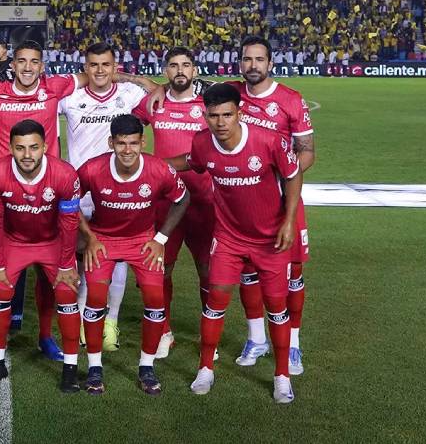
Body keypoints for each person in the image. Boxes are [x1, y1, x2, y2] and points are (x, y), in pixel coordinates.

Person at [168, 82, 302, 404]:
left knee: (277, 308)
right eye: (214, 116)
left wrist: (288, 220)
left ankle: (282, 376)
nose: (221, 122)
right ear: (205, 115)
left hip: (269, 240)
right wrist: (150, 163)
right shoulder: (203, 143)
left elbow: (293, 175)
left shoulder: (270, 141)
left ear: (239, 113)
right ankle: (205, 368)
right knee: (216, 301)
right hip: (228, 238)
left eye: (227, 114)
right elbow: (190, 161)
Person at [58, 42, 163, 352]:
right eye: (93, 65)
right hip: (80, 188)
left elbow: (157, 88)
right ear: (85, 68)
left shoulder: (128, 94)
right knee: (82, 256)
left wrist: (128, 78)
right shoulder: (70, 97)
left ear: (115, 66)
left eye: (106, 65)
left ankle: (110, 322)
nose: (100, 71)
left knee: (117, 258)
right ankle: (82, 316)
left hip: (119, 190)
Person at [75, 114, 189, 395]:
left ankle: (147, 366)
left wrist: (160, 238)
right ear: (111, 142)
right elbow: (68, 201)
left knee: (155, 299)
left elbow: (183, 198)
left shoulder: (158, 169)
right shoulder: (92, 169)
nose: (127, 150)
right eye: (121, 143)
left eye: (133, 143)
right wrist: (88, 237)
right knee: (96, 298)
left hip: (142, 241)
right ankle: (94, 367)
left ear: (143, 142)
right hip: (103, 239)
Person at [226, 36, 315, 375]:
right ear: (240, 63)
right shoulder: (230, 93)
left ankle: (292, 344)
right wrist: (151, 87)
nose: (253, 65)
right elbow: (181, 86)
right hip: (243, 205)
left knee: (293, 273)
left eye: (259, 59)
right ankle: (256, 339)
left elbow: (307, 150)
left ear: (270, 63)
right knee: (247, 272)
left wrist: (281, 176)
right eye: (247, 59)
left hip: (282, 201)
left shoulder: (290, 100)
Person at [0, 119, 83, 393]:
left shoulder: (65, 175)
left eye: (34, 148)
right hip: (14, 242)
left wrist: (66, 265)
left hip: (52, 242)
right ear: (10, 148)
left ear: (45, 147)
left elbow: (69, 224)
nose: (27, 155)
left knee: (66, 292)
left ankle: (70, 368)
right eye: (20, 148)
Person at [131, 47, 215, 358]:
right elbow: (130, 129)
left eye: (186, 65)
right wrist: (154, 89)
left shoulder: (208, 103)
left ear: (194, 69)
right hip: (166, 202)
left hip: (203, 201)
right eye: (173, 65)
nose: (180, 70)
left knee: (207, 269)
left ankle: (210, 333)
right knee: (161, 268)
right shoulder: (155, 102)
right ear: (165, 70)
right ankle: (164, 331)